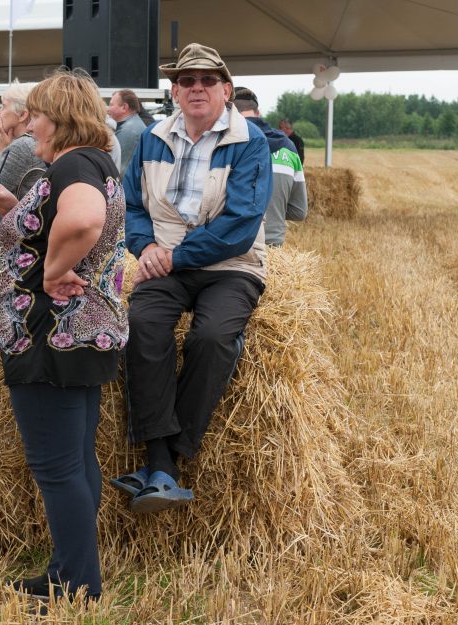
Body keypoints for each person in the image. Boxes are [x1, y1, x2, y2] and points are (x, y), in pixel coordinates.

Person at [0, 69, 127, 603]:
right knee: (76, 458)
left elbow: (83, 220)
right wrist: (17, 213)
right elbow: (62, 219)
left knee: (56, 466)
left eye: (36, 113)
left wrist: (50, 271)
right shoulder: (92, 161)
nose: (29, 123)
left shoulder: (74, 164)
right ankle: (69, 569)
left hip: (52, 337)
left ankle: (79, 585)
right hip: (78, 335)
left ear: (59, 118)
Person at [111, 43, 272, 514]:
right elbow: (131, 206)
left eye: (207, 80)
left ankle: (169, 458)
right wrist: (145, 248)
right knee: (142, 327)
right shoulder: (152, 138)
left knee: (213, 338)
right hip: (163, 261)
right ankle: (160, 463)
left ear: (225, 90)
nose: (196, 88)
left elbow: (241, 224)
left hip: (229, 266)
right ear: (174, 91)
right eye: (186, 81)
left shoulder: (250, 142)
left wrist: (173, 256)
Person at [234, 88, 307, 246]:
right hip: (273, 246)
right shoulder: (289, 147)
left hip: (235, 246)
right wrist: (275, 211)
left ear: (229, 112)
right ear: (258, 112)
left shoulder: (228, 140)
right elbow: (299, 211)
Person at [0, 81, 45, 199]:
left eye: (4, 106)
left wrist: (3, 150)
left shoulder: (23, 146)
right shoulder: (35, 142)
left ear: (22, 115)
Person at [107, 89, 147, 175]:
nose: (108, 109)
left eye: (111, 105)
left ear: (124, 107)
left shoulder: (129, 131)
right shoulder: (133, 126)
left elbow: (119, 171)